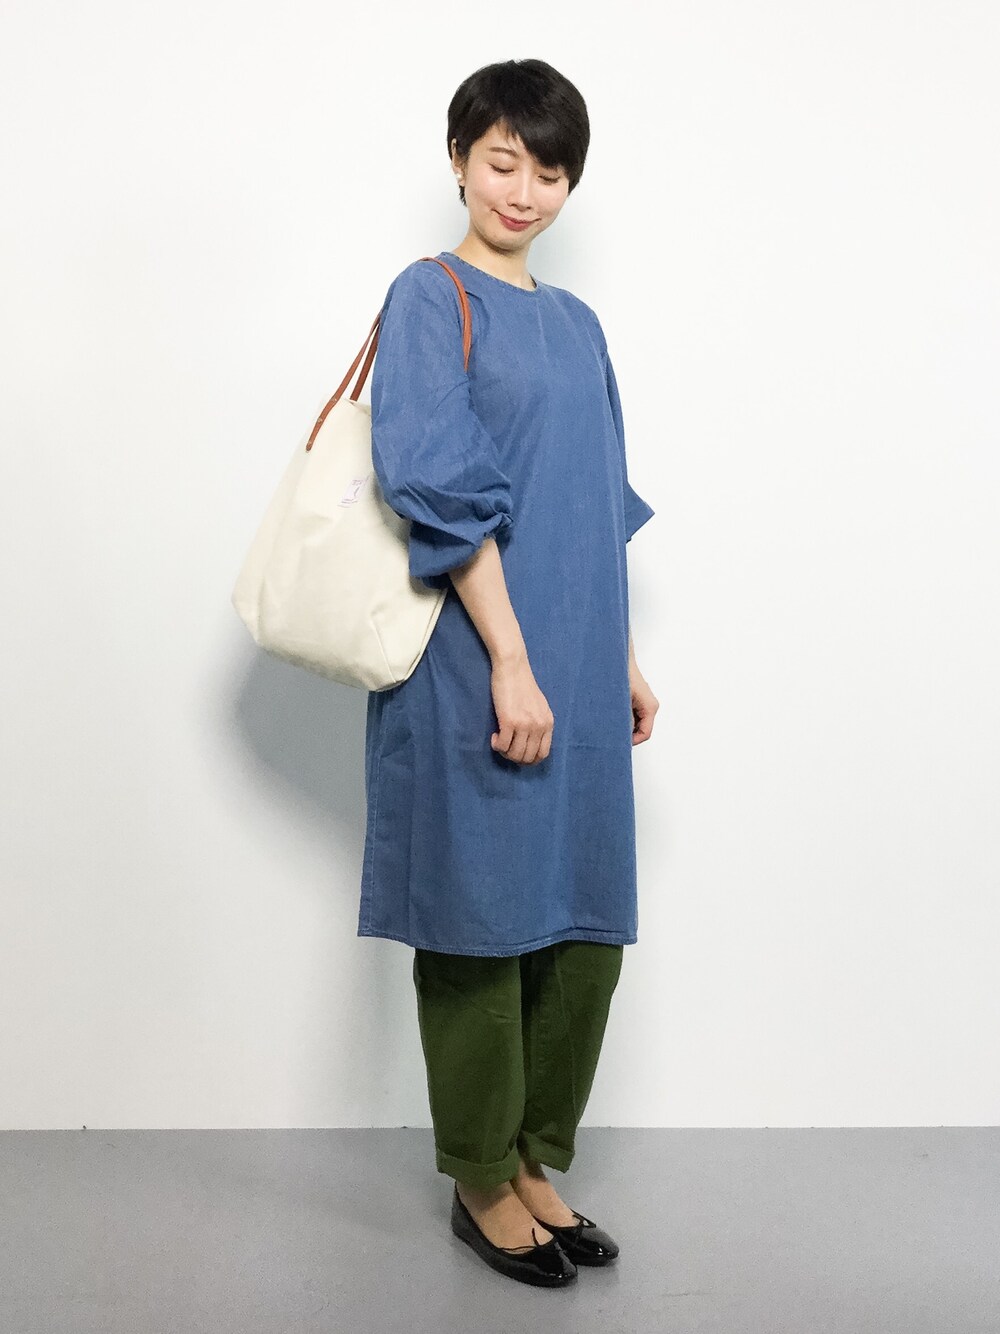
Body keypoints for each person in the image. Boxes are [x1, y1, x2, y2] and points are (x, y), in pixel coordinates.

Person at [357, 58, 658, 1287]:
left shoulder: (578, 324)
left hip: (576, 658)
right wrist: (513, 662)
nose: (521, 190)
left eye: (547, 170)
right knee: (480, 917)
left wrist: (620, 658)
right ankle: (480, 1175)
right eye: (500, 161)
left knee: (582, 918)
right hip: (475, 663)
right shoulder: (430, 298)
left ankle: (535, 1157)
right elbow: (435, 484)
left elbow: (594, 499)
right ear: (458, 160)